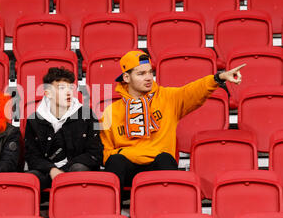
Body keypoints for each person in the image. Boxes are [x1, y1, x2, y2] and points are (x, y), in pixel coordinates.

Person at [100, 50, 245, 191]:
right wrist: (126, 154)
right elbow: (105, 152)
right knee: (115, 161)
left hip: (157, 166)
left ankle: (171, 211)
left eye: (150, 72)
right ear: (126, 77)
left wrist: (218, 78)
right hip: (127, 169)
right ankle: (109, 212)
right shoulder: (110, 112)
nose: (149, 77)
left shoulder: (167, 98)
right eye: (141, 73)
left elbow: (193, 91)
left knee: (165, 159)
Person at [25, 67, 103, 190]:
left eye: (70, 88)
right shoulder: (34, 120)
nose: (68, 92)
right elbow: (32, 158)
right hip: (47, 172)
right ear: (48, 93)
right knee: (29, 179)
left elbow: (95, 154)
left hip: (75, 170)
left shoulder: (86, 115)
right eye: (62, 88)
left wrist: (63, 171)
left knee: (79, 169)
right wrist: (52, 170)